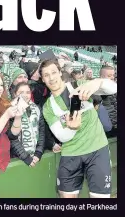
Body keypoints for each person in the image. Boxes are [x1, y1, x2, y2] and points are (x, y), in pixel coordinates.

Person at [40, 59, 117, 198]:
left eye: (53, 72)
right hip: (71, 155)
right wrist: (73, 128)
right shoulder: (48, 107)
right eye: (46, 75)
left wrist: (97, 82)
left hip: (97, 150)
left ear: (60, 72)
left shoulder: (80, 85)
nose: (51, 78)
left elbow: (114, 88)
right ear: (43, 79)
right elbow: (62, 136)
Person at [9, 82, 45, 168]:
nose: (25, 95)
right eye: (21, 92)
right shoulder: (10, 110)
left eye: (28, 92)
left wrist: (38, 152)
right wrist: (25, 156)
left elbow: (41, 131)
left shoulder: (36, 108)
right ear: (15, 94)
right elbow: (11, 138)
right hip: (17, 158)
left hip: (34, 156)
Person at [99, 65, 117, 136]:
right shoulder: (98, 91)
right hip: (108, 128)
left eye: (113, 75)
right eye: (109, 75)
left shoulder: (114, 87)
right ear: (101, 77)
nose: (112, 77)